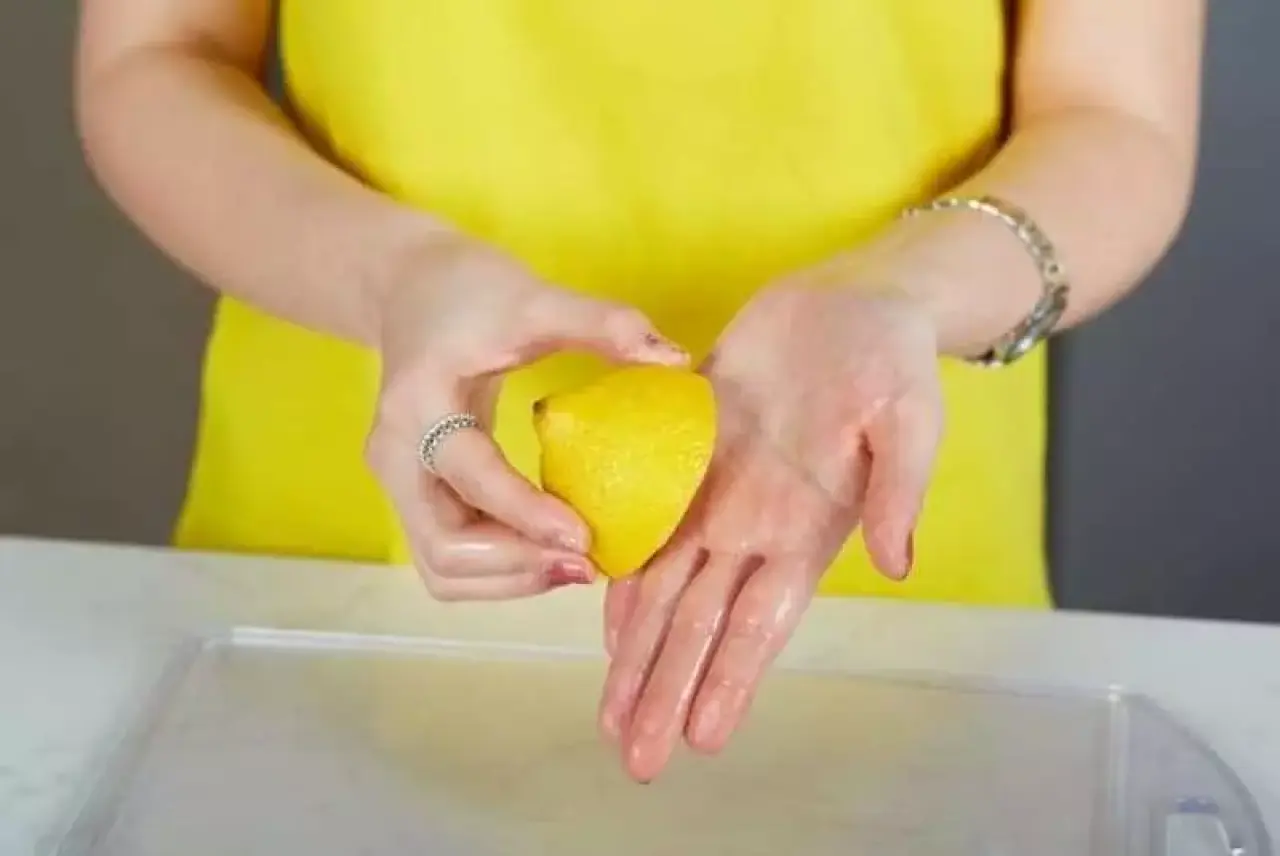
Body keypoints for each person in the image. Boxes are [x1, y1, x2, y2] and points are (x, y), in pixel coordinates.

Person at [75, 0, 1204, 782]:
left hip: (876, 559)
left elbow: (1117, 117)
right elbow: (157, 52)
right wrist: (394, 278)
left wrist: (899, 293)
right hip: (340, 557)